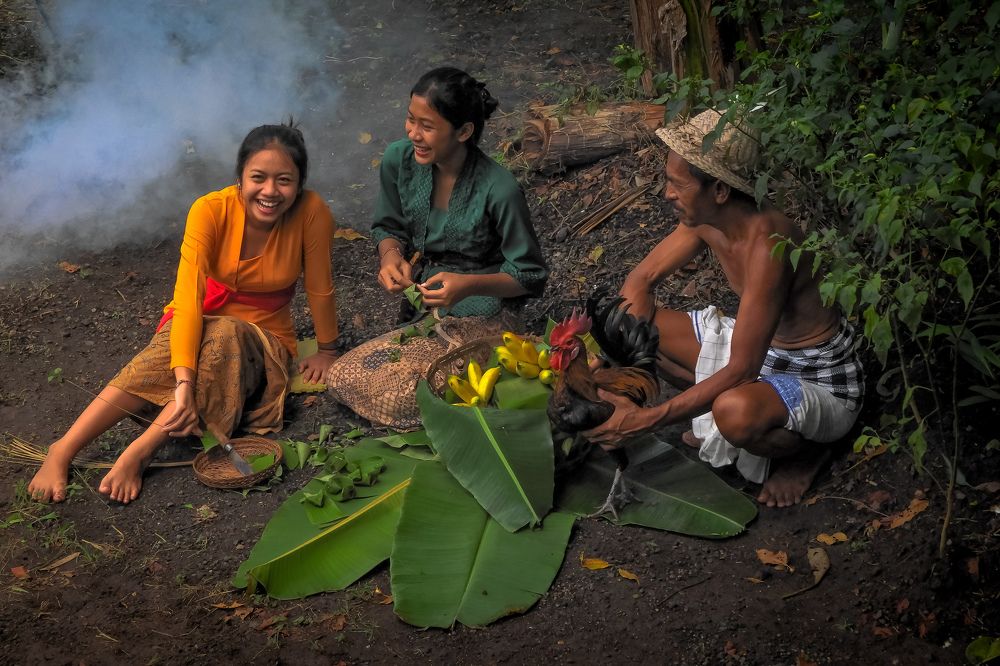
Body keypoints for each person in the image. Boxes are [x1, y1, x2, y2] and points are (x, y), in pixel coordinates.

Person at [28, 122, 339, 504]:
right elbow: (189, 299)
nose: (270, 191)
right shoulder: (209, 210)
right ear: (239, 177)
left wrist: (327, 349)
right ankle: (64, 447)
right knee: (168, 354)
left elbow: (320, 288)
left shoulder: (312, 212)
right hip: (201, 317)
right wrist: (183, 383)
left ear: (300, 182)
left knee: (224, 337)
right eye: (258, 177)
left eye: (284, 180)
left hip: (263, 337)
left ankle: (139, 452)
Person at [584, 109, 864, 508]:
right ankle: (720, 418)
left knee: (732, 411)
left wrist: (648, 419)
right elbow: (639, 283)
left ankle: (807, 452)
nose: (668, 194)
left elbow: (742, 369)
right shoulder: (705, 219)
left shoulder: (770, 243)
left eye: (678, 185)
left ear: (719, 190)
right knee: (638, 325)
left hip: (816, 374)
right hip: (758, 348)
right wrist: (616, 356)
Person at [326, 66, 547, 429]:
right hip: (427, 309)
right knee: (342, 376)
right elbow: (388, 226)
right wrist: (391, 255)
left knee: (400, 394)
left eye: (427, 127)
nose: (414, 134)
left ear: (463, 132)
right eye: (411, 120)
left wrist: (470, 285)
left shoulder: (499, 189)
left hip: (487, 314)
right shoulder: (400, 161)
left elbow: (530, 275)